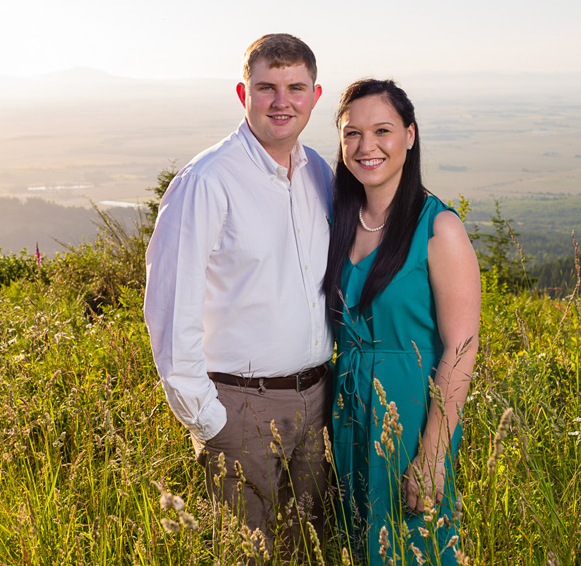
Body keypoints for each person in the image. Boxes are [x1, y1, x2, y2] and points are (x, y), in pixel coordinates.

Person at [144, 34, 335, 555]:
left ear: (315, 96)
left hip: (317, 401)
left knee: (309, 548)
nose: (281, 101)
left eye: (295, 87)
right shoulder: (207, 180)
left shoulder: (319, 171)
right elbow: (169, 307)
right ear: (242, 92)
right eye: (266, 87)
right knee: (249, 552)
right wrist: (207, 418)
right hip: (240, 406)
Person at [322, 79, 480, 565]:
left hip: (409, 413)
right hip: (348, 409)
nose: (366, 147)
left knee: (415, 548)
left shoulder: (439, 228)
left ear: (410, 136)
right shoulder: (338, 220)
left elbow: (461, 346)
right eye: (352, 134)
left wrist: (433, 452)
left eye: (382, 131)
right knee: (358, 545)